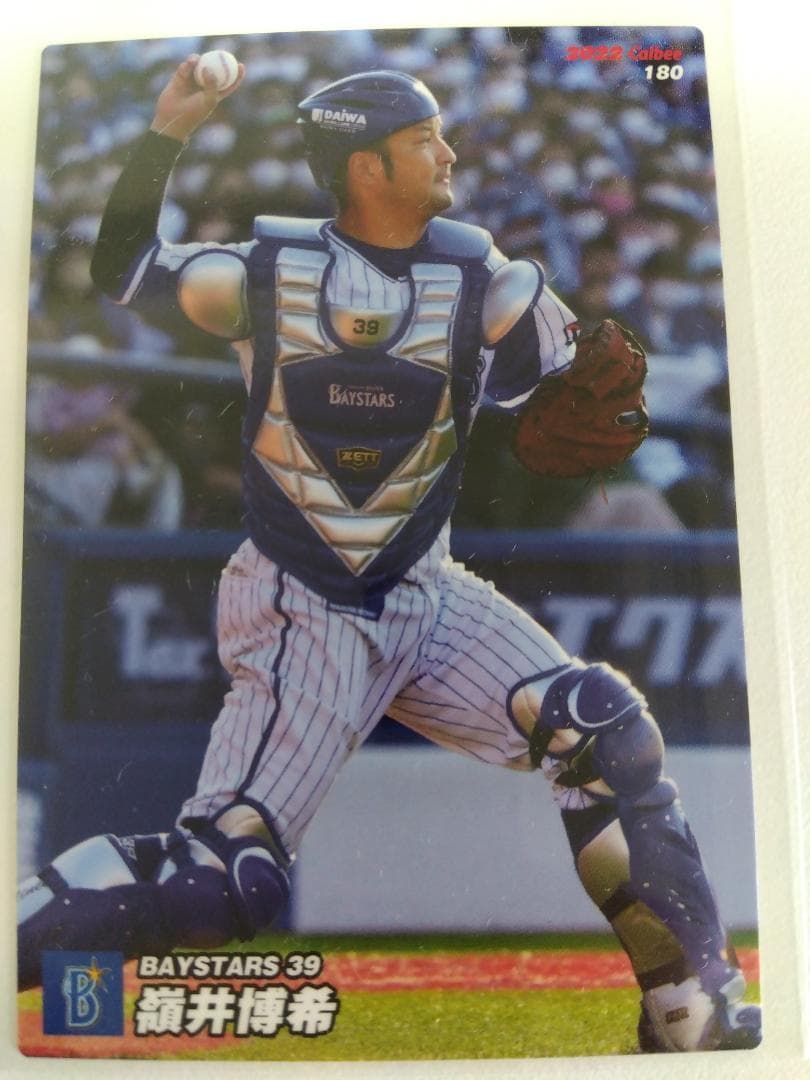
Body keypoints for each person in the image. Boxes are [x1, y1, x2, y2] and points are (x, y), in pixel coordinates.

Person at [17, 58, 760, 1054]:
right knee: (224, 879)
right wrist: (166, 135)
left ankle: (690, 1012)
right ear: (367, 165)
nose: (448, 153)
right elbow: (127, 267)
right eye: (424, 139)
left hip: (426, 588)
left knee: (603, 729)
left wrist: (583, 386)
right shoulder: (264, 274)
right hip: (304, 598)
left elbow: (575, 381)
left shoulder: (485, 278)